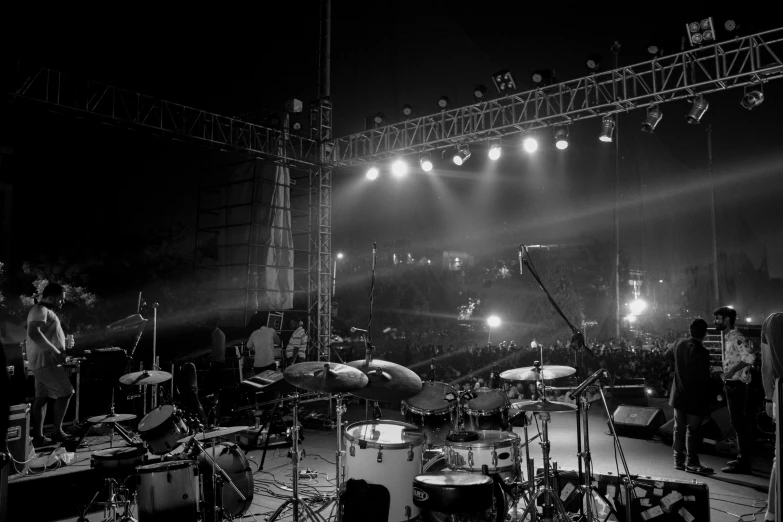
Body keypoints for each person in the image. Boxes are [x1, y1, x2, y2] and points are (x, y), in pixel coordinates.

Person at [27, 283, 75, 446]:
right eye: (61, 299)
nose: (62, 302)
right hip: (46, 362)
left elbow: (46, 334)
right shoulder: (39, 309)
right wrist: (55, 351)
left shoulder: (47, 312)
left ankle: (39, 437)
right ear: (51, 297)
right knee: (67, 392)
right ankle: (57, 432)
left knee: (42, 398)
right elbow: (34, 332)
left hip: (41, 362)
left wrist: (64, 345)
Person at [665, 318, 715, 474]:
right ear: (705, 334)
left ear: (690, 330)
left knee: (678, 428)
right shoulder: (702, 352)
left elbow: (666, 355)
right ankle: (691, 462)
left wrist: (679, 365)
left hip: (678, 394)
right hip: (695, 397)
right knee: (692, 430)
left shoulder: (679, 343)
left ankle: (678, 459)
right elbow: (704, 378)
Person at [714, 306, 756, 474]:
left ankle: (744, 462)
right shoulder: (729, 336)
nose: (716, 322)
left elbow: (750, 357)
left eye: (718, 319)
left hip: (737, 386)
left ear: (727, 320)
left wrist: (731, 372)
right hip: (733, 385)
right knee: (738, 423)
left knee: (739, 424)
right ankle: (742, 459)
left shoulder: (736, 337)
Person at [761, 313, 782, 522]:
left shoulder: (772, 321)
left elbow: (766, 366)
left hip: (779, 393)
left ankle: (773, 513)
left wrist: (769, 398)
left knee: (779, 456)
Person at [210, 315, 226, 392]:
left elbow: (219, 349)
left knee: (215, 383)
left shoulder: (218, 334)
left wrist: (211, 357)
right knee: (215, 382)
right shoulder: (217, 333)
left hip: (218, 361)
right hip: (217, 360)